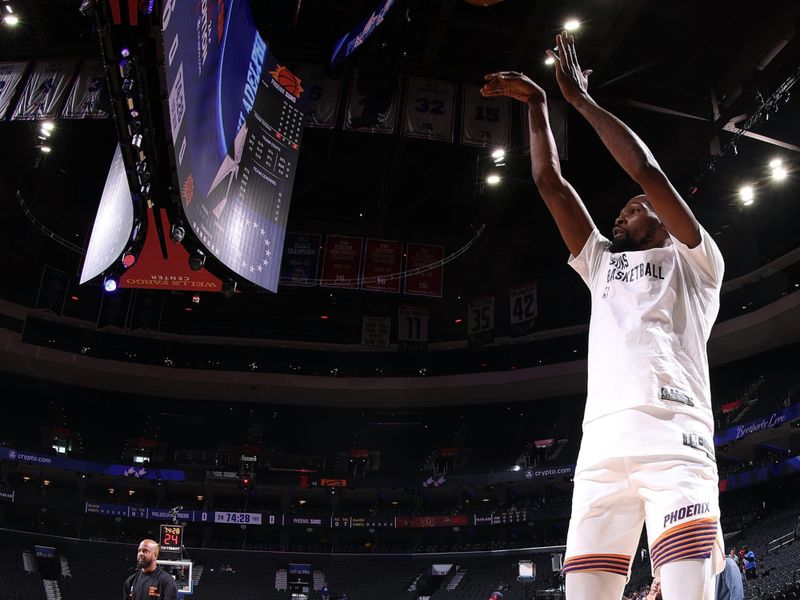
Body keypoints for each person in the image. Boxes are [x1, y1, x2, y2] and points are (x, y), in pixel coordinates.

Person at [482, 30, 725, 600]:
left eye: (635, 210)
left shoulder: (696, 261)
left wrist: (584, 104)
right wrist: (540, 107)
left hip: (675, 440)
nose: (622, 215)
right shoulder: (601, 267)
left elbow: (648, 173)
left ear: (666, 220)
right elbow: (550, 183)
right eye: (619, 213)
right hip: (601, 448)